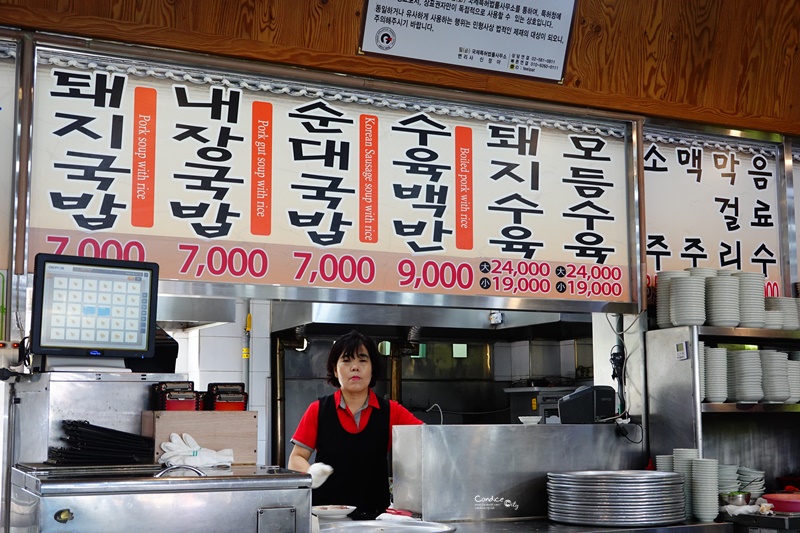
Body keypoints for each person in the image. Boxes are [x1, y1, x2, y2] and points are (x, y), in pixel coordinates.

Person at [288, 330, 423, 516]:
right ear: (335, 370)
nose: (355, 367)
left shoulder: (392, 411)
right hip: (326, 516)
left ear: (373, 368)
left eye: (362, 360)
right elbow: (295, 459)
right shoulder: (318, 410)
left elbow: (427, 441)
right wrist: (311, 471)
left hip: (376, 520)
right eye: (347, 360)